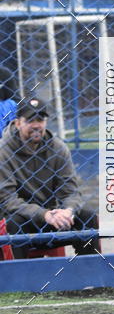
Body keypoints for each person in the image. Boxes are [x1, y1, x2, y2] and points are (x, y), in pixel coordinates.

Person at [0, 98, 99, 258]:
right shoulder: (3, 151)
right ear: (18, 123)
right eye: (30, 120)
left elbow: (71, 192)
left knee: (87, 216)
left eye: (40, 119)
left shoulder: (58, 148)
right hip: (22, 217)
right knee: (14, 223)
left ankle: (92, 275)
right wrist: (44, 214)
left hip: (53, 217)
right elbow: (8, 200)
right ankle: (19, 279)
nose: (37, 125)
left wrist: (68, 211)